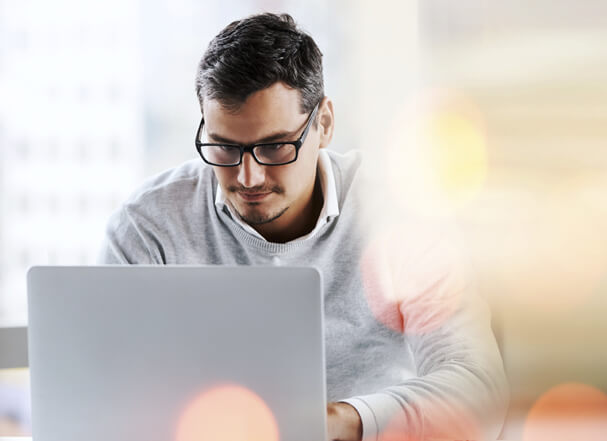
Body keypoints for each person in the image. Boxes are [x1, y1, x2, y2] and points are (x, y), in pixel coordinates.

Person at [99, 13, 508, 441]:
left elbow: (477, 389)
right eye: (224, 148)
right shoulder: (148, 228)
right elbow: (107, 398)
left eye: (275, 146)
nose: (248, 177)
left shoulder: (398, 214)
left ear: (325, 124)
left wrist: (342, 422)